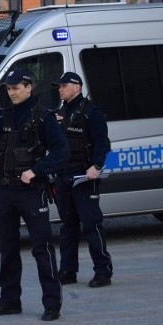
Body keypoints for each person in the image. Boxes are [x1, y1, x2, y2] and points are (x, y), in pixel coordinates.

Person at [0, 68, 68, 321]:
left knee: (42, 248)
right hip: (4, 190)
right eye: (9, 88)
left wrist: (36, 171)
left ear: (29, 87)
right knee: (7, 248)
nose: (12, 92)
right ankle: (9, 300)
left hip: (31, 191)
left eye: (16, 87)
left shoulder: (43, 117)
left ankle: (52, 304)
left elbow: (61, 152)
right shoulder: (2, 115)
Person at [51, 72, 113, 288]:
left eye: (64, 85)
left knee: (91, 224)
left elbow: (101, 142)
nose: (60, 89)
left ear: (77, 86)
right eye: (59, 86)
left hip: (84, 176)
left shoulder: (91, 112)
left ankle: (103, 271)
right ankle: (68, 270)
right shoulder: (60, 112)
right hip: (63, 176)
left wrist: (96, 166)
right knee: (67, 226)